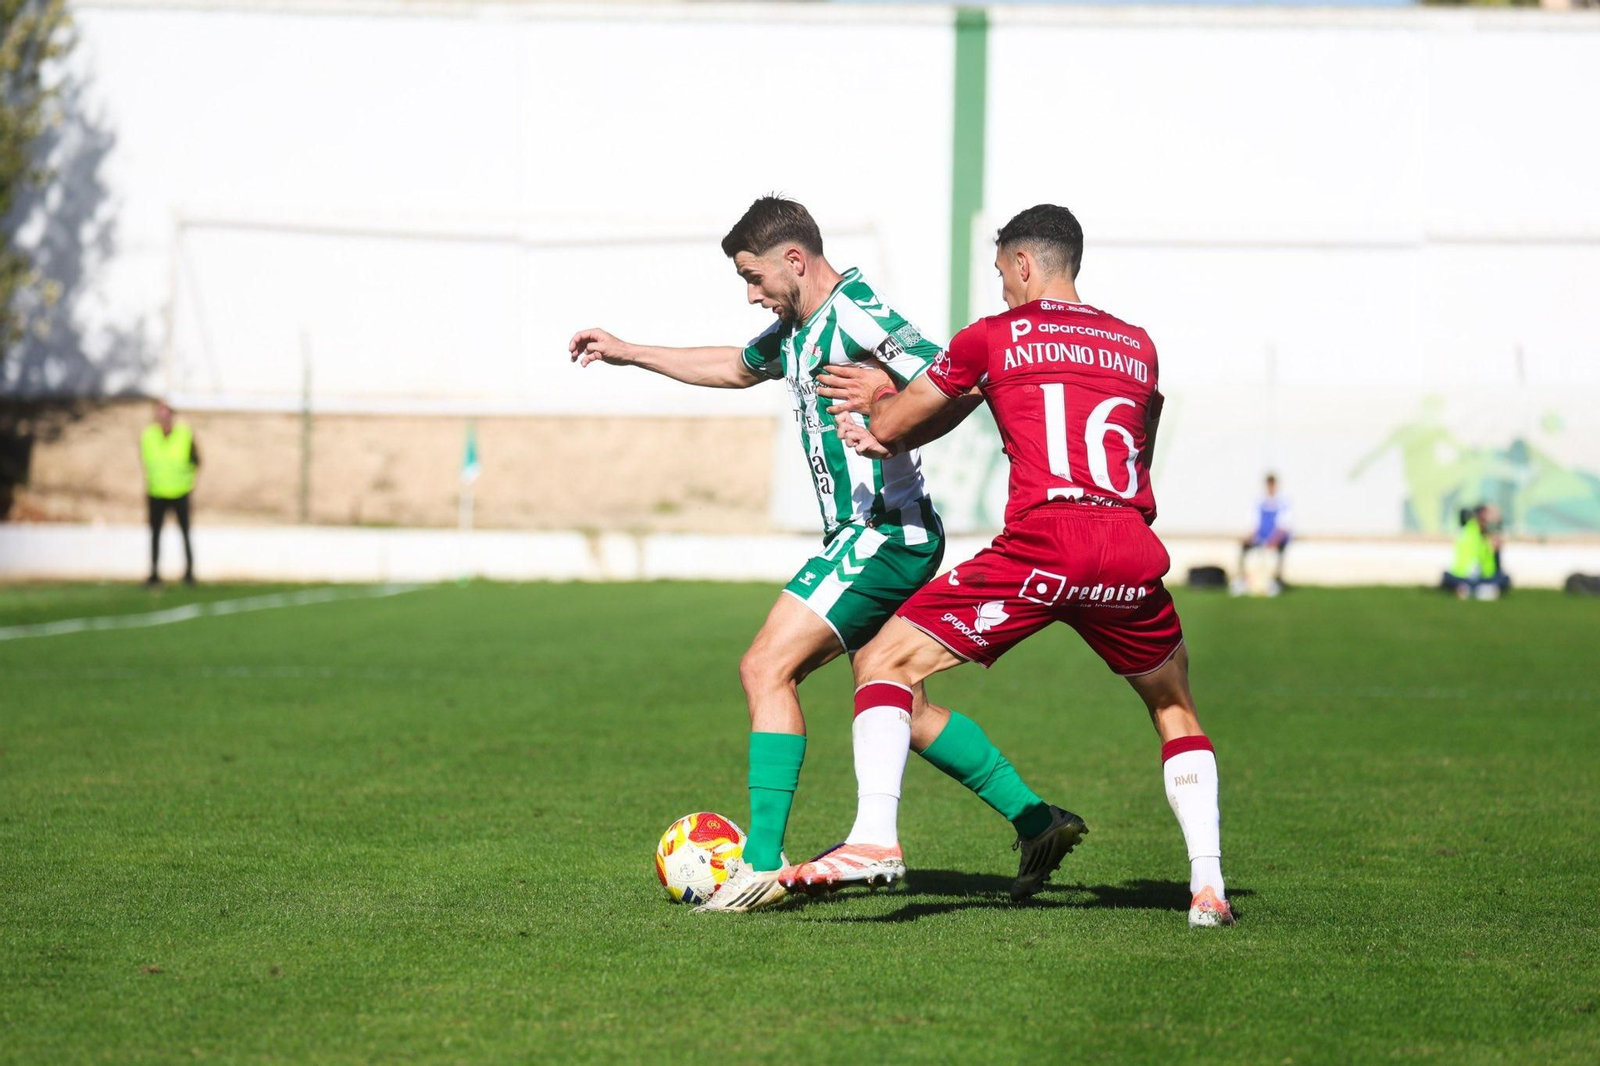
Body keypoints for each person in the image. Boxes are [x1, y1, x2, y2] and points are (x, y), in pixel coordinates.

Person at [569, 196, 1085, 913]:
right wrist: (630, 351)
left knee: (765, 666)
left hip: (882, 532)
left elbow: (957, 378)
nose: (752, 294)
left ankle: (759, 864)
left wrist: (887, 393)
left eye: (754, 277)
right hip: (874, 536)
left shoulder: (857, 313)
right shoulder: (797, 328)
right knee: (901, 702)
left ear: (794, 259)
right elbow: (735, 366)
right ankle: (1037, 821)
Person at [796, 204, 1234, 928]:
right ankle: (1209, 888)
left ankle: (873, 838)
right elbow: (1139, 443)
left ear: (1024, 264)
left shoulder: (994, 336)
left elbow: (898, 423)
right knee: (1173, 706)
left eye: (1001, 272)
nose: (1000, 286)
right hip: (1127, 543)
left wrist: (877, 402)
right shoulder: (1137, 345)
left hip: (1045, 543)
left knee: (882, 662)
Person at [140, 401, 199, 587]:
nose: (164, 418)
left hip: (180, 491)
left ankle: (189, 574)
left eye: (167, 414)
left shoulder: (184, 434)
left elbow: (196, 460)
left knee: (185, 533)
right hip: (157, 491)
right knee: (155, 534)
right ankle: (154, 574)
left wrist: (189, 481)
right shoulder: (149, 435)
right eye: (161, 414)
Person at [1235, 473, 1292, 595]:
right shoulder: (1259, 502)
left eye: (1272, 485)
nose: (1270, 487)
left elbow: (1284, 527)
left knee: (1273, 554)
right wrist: (1249, 538)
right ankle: (1244, 580)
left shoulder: (1283, 503)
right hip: (1261, 538)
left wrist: (1274, 541)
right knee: (1245, 548)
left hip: (1275, 539)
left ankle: (1273, 582)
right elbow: (1254, 525)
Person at [1443, 504, 1509, 600]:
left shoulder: (1477, 532)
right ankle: (1480, 590)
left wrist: (1496, 552)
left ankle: (1472, 590)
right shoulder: (1472, 531)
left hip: (1480, 576)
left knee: (1503, 578)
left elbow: (1491, 567)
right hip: (1465, 575)